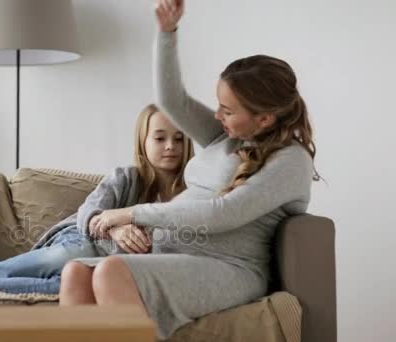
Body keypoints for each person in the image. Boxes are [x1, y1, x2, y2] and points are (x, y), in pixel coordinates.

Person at [58, 0, 319, 340]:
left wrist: (133, 214)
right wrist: (167, 33)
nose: (216, 116)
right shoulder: (223, 139)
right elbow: (171, 100)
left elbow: (222, 214)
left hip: (229, 268)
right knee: (75, 272)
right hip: (176, 254)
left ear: (264, 118)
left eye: (227, 110)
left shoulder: (291, 161)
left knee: (111, 272)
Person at [0, 104, 194, 294]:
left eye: (179, 138)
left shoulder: (194, 191)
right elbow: (88, 212)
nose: (171, 146)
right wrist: (114, 227)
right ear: (143, 142)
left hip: (110, 270)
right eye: (160, 138)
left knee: (63, 286)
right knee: (62, 258)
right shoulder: (127, 177)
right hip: (86, 243)